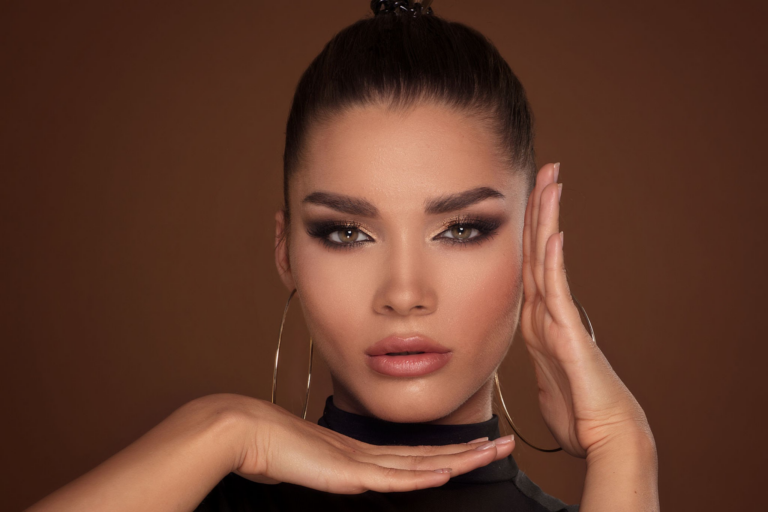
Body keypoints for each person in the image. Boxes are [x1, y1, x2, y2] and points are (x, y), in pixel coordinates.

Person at [25, 1, 659, 511]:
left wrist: (624, 447)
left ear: (530, 249)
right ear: (286, 253)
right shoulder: (189, 490)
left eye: (461, 229)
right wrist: (215, 426)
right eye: (347, 233)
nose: (404, 292)